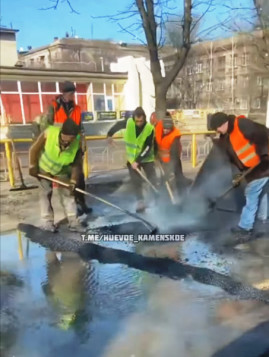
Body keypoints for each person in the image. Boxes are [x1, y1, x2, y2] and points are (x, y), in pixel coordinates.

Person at [211, 112, 269, 241]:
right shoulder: (226, 138)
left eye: (218, 128)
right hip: (252, 169)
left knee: (251, 194)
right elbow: (235, 159)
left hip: (263, 166)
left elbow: (262, 134)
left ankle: (245, 227)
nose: (217, 131)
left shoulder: (241, 124)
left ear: (224, 123)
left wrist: (265, 153)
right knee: (263, 193)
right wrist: (237, 176)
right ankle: (263, 220)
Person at [42, 81, 92, 217]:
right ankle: (72, 209)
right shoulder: (53, 107)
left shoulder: (76, 109)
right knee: (65, 180)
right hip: (60, 147)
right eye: (70, 94)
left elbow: (80, 128)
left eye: (73, 94)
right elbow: (46, 127)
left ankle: (81, 203)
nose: (72, 96)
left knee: (79, 178)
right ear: (64, 93)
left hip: (74, 147)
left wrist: (83, 143)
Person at [29, 118, 86, 232]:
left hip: (62, 169)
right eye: (69, 138)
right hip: (44, 168)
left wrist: (73, 181)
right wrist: (32, 166)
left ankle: (73, 222)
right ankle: (47, 222)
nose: (70, 141)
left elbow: (77, 164)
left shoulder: (77, 141)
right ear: (62, 134)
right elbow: (33, 150)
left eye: (73, 138)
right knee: (45, 193)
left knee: (68, 194)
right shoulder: (49, 133)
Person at [107, 107, 157, 212]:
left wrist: (138, 161)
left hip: (146, 158)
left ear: (145, 119)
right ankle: (140, 201)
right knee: (136, 181)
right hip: (131, 159)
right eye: (137, 121)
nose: (139, 123)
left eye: (141, 121)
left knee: (152, 179)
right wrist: (110, 134)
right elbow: (118, 125)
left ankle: (155, 199)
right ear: (134, 119)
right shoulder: (129, 123)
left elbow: (147, 147)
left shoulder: (149, 129)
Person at [155, 114, 191, 197]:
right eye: (164, 128)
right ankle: (162, 198)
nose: (165, 130)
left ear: (171, 128)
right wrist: (156, 153)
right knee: (163, 180)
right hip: (162, 158)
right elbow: (155, 141)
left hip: (174, 158)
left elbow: (174, 156)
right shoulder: (159, 127)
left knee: (178, 177)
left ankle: (183, 196)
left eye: (168, 129)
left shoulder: (175, 137)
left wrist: (168, 170)